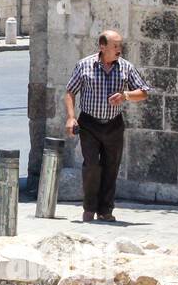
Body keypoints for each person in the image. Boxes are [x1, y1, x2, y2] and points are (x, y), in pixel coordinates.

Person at [63, 29, 152, 223]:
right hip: (89, 124)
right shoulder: (84, 66)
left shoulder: (126, 67)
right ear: (102, 47)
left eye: (120, 45)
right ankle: (89, 208)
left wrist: (126, 96)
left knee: (112, 167)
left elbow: (144, 92)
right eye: (115, 46)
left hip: (113, 124)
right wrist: (71, 118)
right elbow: (70, 92)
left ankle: (105, 210)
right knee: (92, 166)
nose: (119, 49)